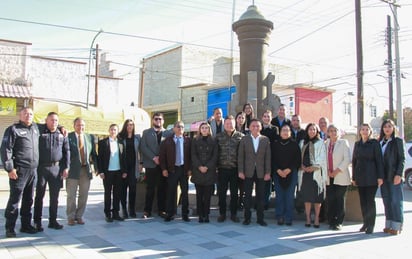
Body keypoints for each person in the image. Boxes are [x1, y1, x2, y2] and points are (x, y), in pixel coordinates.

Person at [1, 107, 40, 237]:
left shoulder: (35, 128)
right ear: (20, 115)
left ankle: (26, 225)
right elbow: (6, 150)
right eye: (25, 113)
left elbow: (51, 124)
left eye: (30, 114)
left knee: (29, 199)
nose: (28, 116)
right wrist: (10, 168)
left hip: (33, 170)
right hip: (19, 171)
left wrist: (61, 127)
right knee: (15, 199)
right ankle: (10, 227)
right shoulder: (13, 129)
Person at [33, 112, 70, 231]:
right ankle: (37, 222)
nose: (54, 122)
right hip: (41, 168)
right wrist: (61, 126)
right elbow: (32, 124)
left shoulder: (61, 134)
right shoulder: (39, 130)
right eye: (51, 120)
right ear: (46, 120)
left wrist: (66, 167)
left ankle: (53, 221)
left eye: (56, 121)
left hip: (56, 169)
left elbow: (66, 151)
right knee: (39, 196)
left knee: (55, 197)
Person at [238, 119, 271, 226]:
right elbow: (241, 156)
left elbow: (268, 158)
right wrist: (241, 171)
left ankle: (260, 218)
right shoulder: (244, 139)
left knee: (260, 196)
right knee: (247, 196)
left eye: (257, 126)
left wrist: (267, 172)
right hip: (248, 171)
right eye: (253, 126)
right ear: (249, 127)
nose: (255, 128)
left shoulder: (265, 140)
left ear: (260, 127)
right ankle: (247, 218)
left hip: (261, 172)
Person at [352, 123, 384, 234]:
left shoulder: (374, 143)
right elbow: (354, 161)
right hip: (360, 176)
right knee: (363, 201)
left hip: (371, 176)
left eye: (367, 129)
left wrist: (380, 176)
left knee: (370, 201)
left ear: (370, 131)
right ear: (360, 131)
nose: (365, 131)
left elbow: (379, 160)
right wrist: (354, 177)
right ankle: (365, 222)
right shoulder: (357, 144)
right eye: (362, 129)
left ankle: (371, 224)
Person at [66, 117, 98, 226]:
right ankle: (70, 216)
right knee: (71, 195)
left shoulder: (89, 137)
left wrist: (97, 169)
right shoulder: (68, 137)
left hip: (86, 170)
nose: (81, 127)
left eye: (82, 125)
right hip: (72, 171)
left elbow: (94, 154)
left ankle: (79, 216)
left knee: (83, 195)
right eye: (78, 125)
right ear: (74, 126)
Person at [140, 112, 171, 219]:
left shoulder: (167, 133)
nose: (158, 121)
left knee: (162, 188)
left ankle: (161, 210)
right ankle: (147, 210)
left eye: (160, 119)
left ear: (163, 121)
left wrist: (161, 159)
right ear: (153, 120)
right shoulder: (146, 132)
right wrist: (154, 158)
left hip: (163, 166)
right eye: (156, 119)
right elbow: (143, 147)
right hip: (151, 164)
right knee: (150, 188)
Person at [160, 121, 192, 222]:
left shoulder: (188, 140)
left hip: (184, 169)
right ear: (174, 128)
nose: (180, 129)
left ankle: (185, 214)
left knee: (185, 193)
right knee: (171, 192)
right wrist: (164, 169)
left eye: (182, 127)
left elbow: (191, 156)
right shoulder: (167, 141)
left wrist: (190, 169)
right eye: (178, 127)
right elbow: (162, 156)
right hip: (172, 169)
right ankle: (170, 213)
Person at [298, 123, 327, 228]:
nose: (312, 131)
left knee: (317, 198)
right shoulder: (302, 142)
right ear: (307, 130)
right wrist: (302, 166)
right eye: (310, 129)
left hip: (316, 173)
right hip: (305, 173)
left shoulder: (320, 143)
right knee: (307, 198)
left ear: (317, 131)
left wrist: (313, 167)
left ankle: (317, 219)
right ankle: (308, 219)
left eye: (314, 129)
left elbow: (322, 158)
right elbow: (299, 156)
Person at [378, 119, 405, 235]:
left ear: (393, 128)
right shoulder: (379, 142)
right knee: (387, 201)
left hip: (394, 176)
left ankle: (397, 225)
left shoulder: (397, 141)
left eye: (389, 126)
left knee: (395, 201)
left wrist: (399, 174)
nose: (387, 128)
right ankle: (389, 224)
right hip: (383, 177)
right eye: (385, 126)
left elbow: (402, 159)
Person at [216, 115, 244, 223]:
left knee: (234, 193)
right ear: (224, 124)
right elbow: (216, 153)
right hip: (222, 169)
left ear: (235, 124)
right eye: (227, 123)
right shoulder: (218, 137)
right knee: (222, 193)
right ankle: (222, 213)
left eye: (231, 123)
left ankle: (233, 214)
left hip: (235, 169)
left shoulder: (241, 136)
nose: (229, 125)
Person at [272, 124, 301, 226]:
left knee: (289, 196)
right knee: (279, 196)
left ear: (290, 132)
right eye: (283, 130)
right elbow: (272, 159)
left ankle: (288, 217)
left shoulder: (294, 144)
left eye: (287, 130)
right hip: (277, 173)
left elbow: (297, 159)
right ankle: (280, 216)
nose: (285, 132)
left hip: (291, 173)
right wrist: (278, 170)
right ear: (280, 132)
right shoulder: (275, 144)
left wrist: (289, 169)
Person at [325, 124, 351, 231]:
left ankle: (339, 221)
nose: (333, 133)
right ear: (328, 133)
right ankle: (331, 220)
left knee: (340, 199)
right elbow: (323, 159)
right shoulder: (326, 144)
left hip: (340, 175)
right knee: (330, 199)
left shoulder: (343, 143)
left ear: (338, 132)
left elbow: (347, 159)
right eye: (330, 131)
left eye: (335, 130)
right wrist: (327, 171)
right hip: (329, 175)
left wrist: (336, 171)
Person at [98, 124, 126, 222]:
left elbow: (124, 158)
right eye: (111, 129)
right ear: (109, 130)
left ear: (117, 131)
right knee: (107, 193)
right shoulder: (103, 142)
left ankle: (116, 213)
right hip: (107, 172)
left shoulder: (121, 143)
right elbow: (99, 159)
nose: (113, 131)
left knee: (117, 193)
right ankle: (107, 213)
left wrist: (124, 171)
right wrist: (100, 171)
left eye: (115, 130)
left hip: (118, 171)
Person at [190, 122, 218, 223]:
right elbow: (193, 155)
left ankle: (206, 215)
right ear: (200, 130)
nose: (205, 129)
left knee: (207, 197)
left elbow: (215, 156)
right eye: (203, 128)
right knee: (199, 195)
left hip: (209, 172)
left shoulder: (214, 141)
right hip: (198, 172)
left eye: (206, 128)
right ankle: (200, 215)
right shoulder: (195, 140)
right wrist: (199, 166)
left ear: (209, 129)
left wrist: (207, 167)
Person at [118, 119, 141, 219]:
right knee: (123, 189)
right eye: (128, 125)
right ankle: (124, 210)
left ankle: (131, 209)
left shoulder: (137, 138)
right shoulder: (120, 137)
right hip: (123, 167)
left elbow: (141, 151)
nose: (130, 126)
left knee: (133, 189)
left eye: (131, 125)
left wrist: (141, 164)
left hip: (133, 167)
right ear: (125, 126)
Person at [260, 109, 279, 210]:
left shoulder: (275, 129)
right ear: (262, 118)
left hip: (270, 158)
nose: (266, 118)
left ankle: (265, 203)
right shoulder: (259, 128)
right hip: (259, 159)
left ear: (271, 118)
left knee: (267, 181)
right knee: (259, 181)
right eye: (265, 116)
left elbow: (274, 144)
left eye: (268, 116)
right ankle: (259, 202)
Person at [235, 111, 248, 210]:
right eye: (239, 117)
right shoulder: (232, 130)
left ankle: (241, 201)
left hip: (244, 161)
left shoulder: (247, 132)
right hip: (233, 161)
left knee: (243, 184)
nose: (241, 120)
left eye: (243, 118)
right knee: (234, 184)